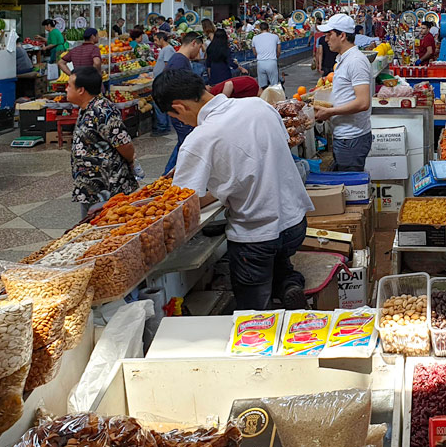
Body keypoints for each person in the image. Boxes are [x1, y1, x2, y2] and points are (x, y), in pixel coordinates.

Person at [152, 58, 312, 311]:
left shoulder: (199, 140)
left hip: (255, 235)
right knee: (281, 260)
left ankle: (260, 325)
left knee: (253, 304)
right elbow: (264, 160)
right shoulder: (259, 107)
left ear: (179, 107)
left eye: (176, 118)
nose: (181, 123)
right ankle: (289, 285)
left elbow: (183, 203)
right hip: (295, 223)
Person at [67, 67, 138, 219]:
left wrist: (131, 161)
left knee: (109, 226)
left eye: (69, 86)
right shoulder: (85, 109)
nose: (66, 89)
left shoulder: (103, 111)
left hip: (107, 186)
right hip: (90, 187)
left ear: (81, 90)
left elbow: (124, 144)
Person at [315, 13, 374, 172]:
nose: (326, 39)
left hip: (352, 138)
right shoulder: (343, 59)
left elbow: (362, 103)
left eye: (329, 35)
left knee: (352, 187)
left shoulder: (356, 61)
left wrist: (330, 112)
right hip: (344, 136)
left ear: (342, 35)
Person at [163, 32, 205, 173]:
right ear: (193, 43)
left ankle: (166, 178)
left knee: (184, 145)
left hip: (180, 110)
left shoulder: (179, 59)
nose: (199, 51)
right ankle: (167, 178)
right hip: (181, 111)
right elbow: (178, 88)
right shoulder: (179, 61)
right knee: (186, 145)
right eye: (199, 47)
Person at [150, 31, 176, 135]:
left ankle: (163, 126)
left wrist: (163, 80)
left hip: (162, 81)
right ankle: (164, 125)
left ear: (162, 39)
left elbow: (167, 65)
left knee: (159, 103)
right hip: (160, 80)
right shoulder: (165, 49)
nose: (155, 42)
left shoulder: (168, 50)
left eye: (156, 40)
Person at [252, 21, 281, 88]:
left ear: (260, 29)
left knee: (262, 87)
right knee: (274, 85)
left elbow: (254, 52)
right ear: (268, 29)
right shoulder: (275, 36)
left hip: (260, 63)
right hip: (271, 61)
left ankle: (263, 98)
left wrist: (259, 56)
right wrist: (277, 56)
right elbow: (278, 50)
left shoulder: (255, 38)